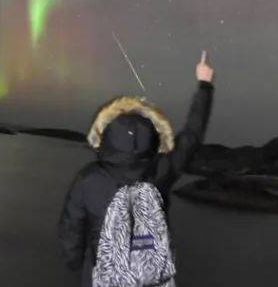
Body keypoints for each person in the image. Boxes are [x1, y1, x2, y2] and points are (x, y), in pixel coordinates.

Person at [58, 51, 215, 286]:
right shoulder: (162, 170)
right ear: (154, 137)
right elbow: (191, 137)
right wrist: (204, 84)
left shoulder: (88, 179)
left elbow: (71, 230)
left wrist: (75, 264)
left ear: (106, 136)